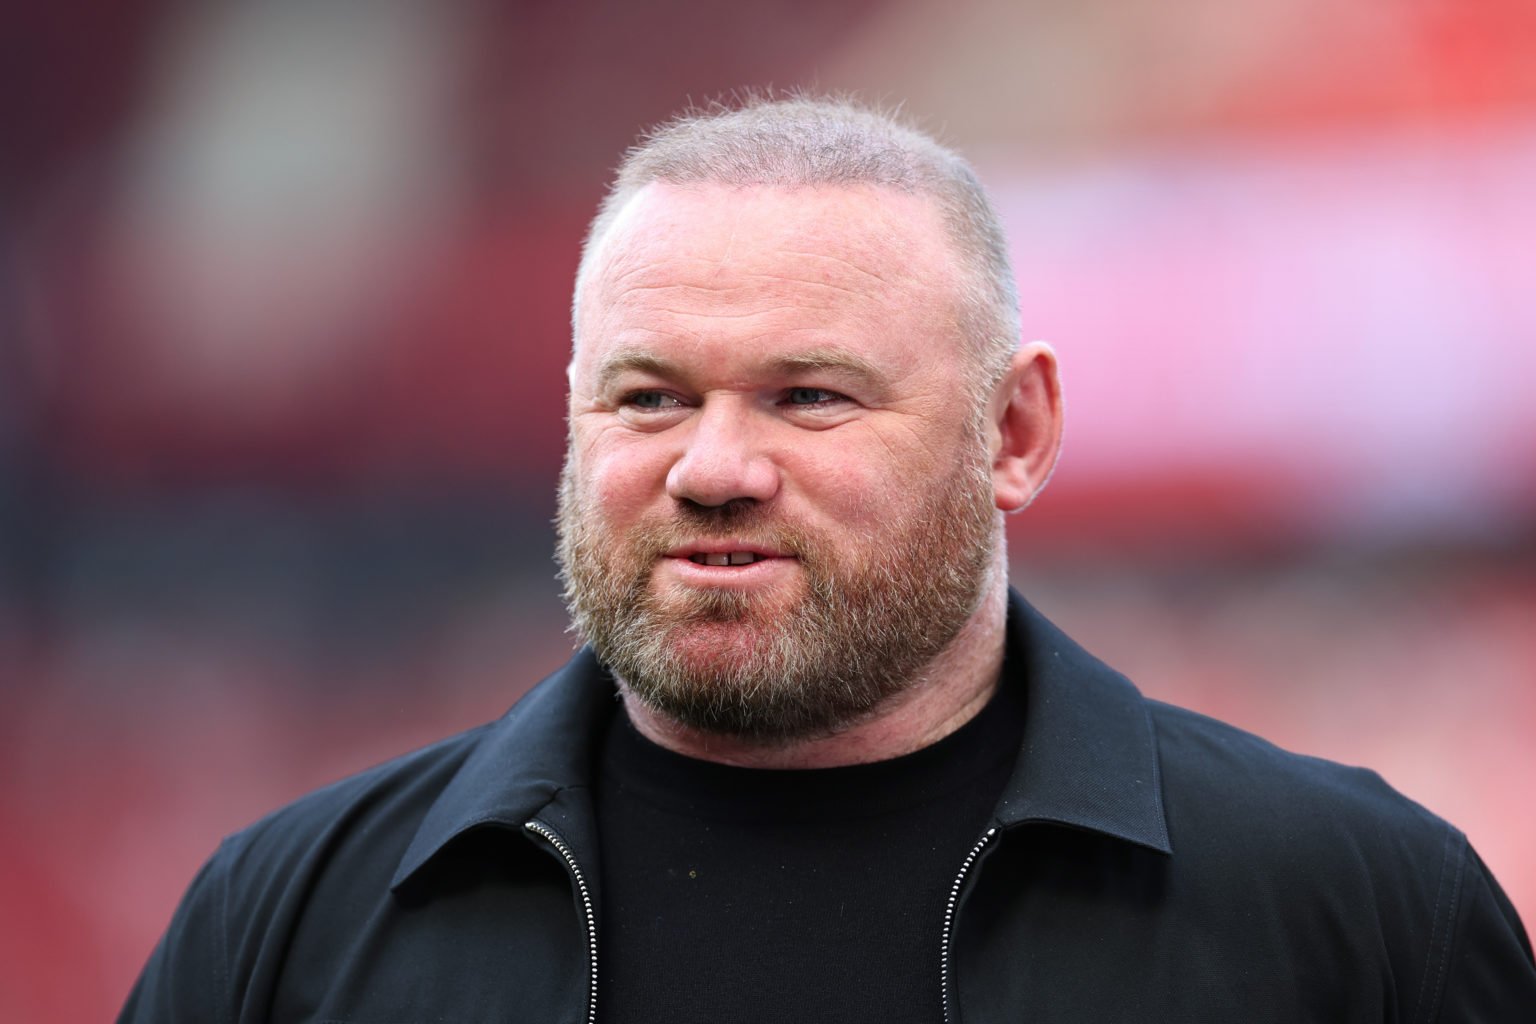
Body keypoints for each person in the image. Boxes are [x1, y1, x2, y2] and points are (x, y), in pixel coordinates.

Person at [121, 95, 1536, 1023]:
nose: (713, 467)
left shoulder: (1359, 913)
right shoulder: (287, 925)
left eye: (810, 397)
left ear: (1016, 431)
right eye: (650, 397)